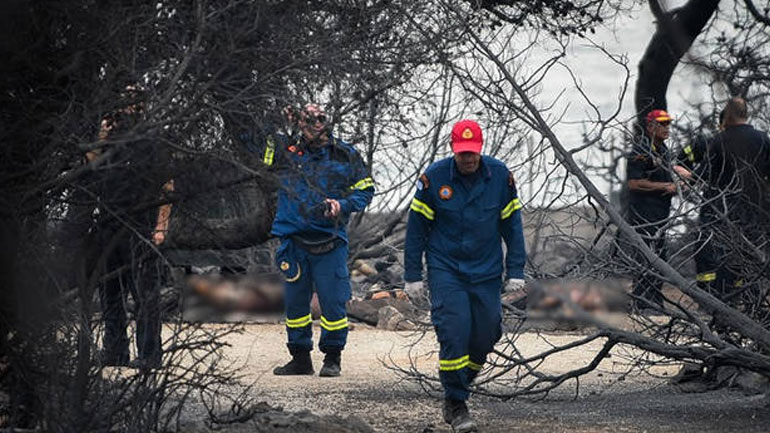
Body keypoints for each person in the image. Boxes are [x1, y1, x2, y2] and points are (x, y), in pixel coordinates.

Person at [403, 119, 526, 433]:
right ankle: (456, 403)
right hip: (447, 269)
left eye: (472, 153)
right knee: (454, 331)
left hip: (485, 271)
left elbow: (512, 228)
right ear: (452, 150)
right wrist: (413, 275)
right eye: (462, 153)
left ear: (481, 149)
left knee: (488, 332)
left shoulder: (500, 177)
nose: (468, 159)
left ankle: (460, 382)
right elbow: (416, 230)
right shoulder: (434, 179)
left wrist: (516, 271)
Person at [239, 103, 374, 377]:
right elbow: (253, 146)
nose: (314, 124)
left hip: (330, 242)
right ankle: (300, 358)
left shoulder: (345, 154)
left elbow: (366, 190)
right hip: (294, 240)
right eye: (307, 119)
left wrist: (342, 205)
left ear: (328, 121)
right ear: (299, 123)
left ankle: (332, 358)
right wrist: (276, 117)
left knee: (333, 302)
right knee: (295, 304)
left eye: (320, 118)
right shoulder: (286, 152)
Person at [87, 85, 174, 369]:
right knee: (110, 292)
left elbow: (167, 185)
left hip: (140, 225)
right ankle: (115, 351)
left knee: (144, 295)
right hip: (108, 224)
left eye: (135, 100)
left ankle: (149, 354)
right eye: (125, 99)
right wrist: (102, 135)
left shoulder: (152, 138)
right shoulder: (111, 138)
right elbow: (90, 167)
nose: (129, 106)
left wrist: (161, 227)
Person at [692, 97, 770, 307]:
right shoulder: (763, 139)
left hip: (721, 210)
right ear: (746, 114)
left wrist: (685, 173)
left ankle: (726, 306)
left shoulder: (719, 141)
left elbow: (703, 175)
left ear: (727, 116)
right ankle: (754, 304)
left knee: (722, 257)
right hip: (754, 210)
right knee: (752, 257)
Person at [625, 109, 689, 312]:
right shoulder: (640, 151)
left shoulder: (663, 151)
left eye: (668, 124)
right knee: (646, 256)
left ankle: (655, 301)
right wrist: (665, 187)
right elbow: (634, 183)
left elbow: (665, 172)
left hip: (661, 216)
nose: (667, 128)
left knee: (660, 256)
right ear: (651, 127)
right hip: (644, 215)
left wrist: (679, 180)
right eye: (662, 124)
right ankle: (643, 303)